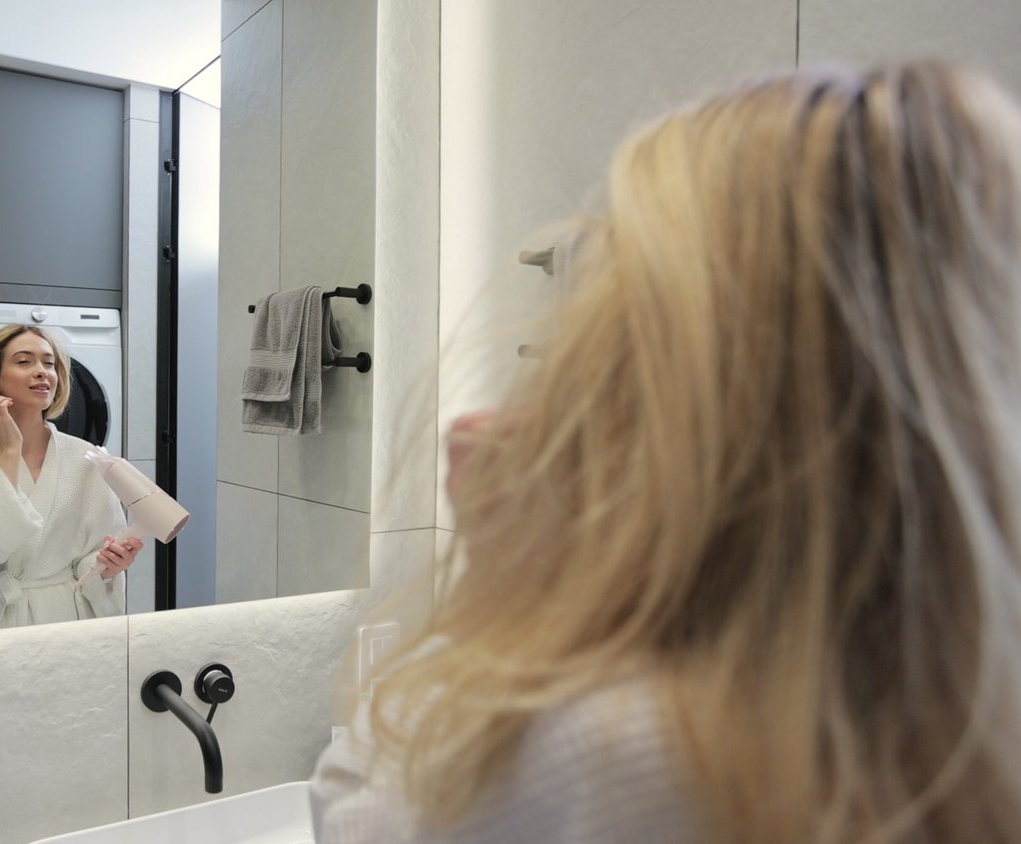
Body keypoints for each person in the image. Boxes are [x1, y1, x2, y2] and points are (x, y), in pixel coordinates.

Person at [312, 61, 1021, 843]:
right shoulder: (962, 691)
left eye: (619, 287)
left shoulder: (623, 747)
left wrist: (497, 593)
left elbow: (358, 819)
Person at [0, 324, 143, 632]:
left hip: (67, 619)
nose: (42, 371)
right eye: (24, 361)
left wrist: (108, 565)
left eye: (49, 363)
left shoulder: (85, 457)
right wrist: (9, 451)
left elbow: (92, 558)